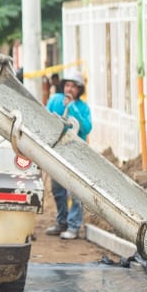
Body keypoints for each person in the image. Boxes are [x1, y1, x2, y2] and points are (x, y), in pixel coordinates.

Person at [44, 70, 92, 240]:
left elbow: (86, 128)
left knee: (76, 192)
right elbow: (45, 118)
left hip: (76, 154)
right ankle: (61, 222)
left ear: (79, 89)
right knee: (57, 190)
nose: (69, 89)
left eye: (73, 86)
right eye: (67, 85)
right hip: (58, 151)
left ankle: (73, 226)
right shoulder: (55, 100)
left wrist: (72, 108)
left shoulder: (83, 107)